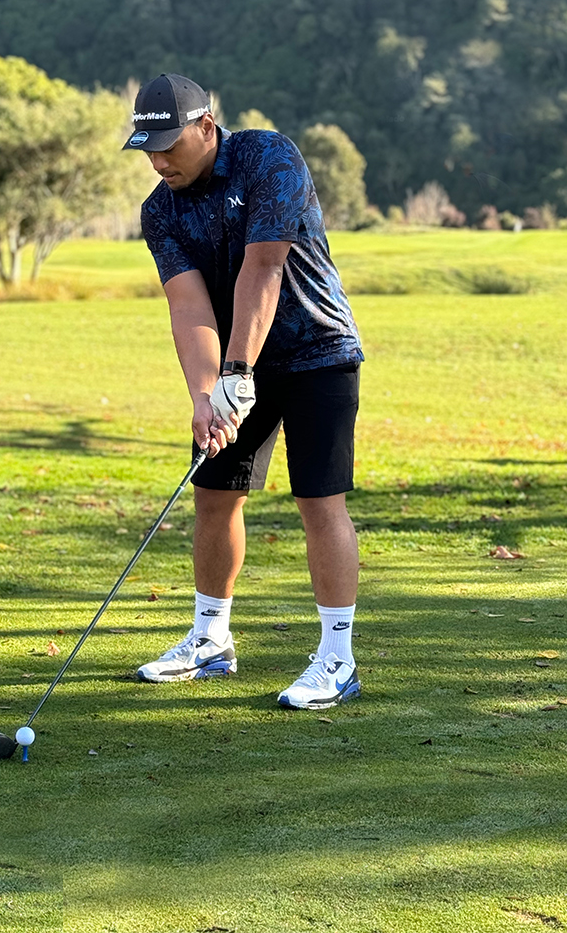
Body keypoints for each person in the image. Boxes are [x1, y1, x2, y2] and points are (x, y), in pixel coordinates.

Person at [125, 73, 366, 710]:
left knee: (319, 502)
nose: (159, 162)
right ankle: (211, 641)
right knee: (214, 495)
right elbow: (189, 306)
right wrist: (205, 394)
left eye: (169, 146)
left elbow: (264, 265)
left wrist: (236, 373)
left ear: (206, 126)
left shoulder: (267, 157)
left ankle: (337, 659)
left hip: (318, 354)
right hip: (235, 364)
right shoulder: (159, 211)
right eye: (149, 150)